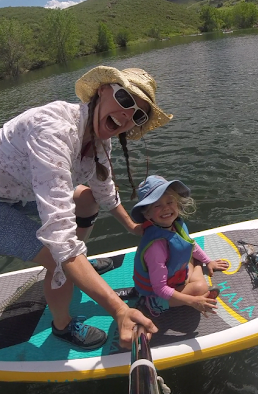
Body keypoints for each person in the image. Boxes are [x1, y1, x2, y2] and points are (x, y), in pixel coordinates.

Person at [0, 66, 173, 350]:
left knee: (87, 197)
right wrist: (119, 310)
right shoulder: (54, 130)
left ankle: (79, 268)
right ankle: (62, 325)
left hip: (18, 189)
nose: (128, 115)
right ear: (102, 90)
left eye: (138, 114)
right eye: (125, 99)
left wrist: (132, 226)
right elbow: (61, 241)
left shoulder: (100, 142)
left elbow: (104, 191)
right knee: (59, 258)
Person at [131, 175, 229, 316]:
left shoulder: (174, 225)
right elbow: (160, 289)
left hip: (175, 277)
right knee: (200, 287)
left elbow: (191, 245)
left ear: (177, 203)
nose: (166, 208)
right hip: (157, 294)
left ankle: (197, 270)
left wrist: (208, 261)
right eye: (157, 205)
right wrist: (192, 301)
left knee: (190, 255)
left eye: (170, 202)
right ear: (147, 214)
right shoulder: (155, 249)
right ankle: (152, 304)